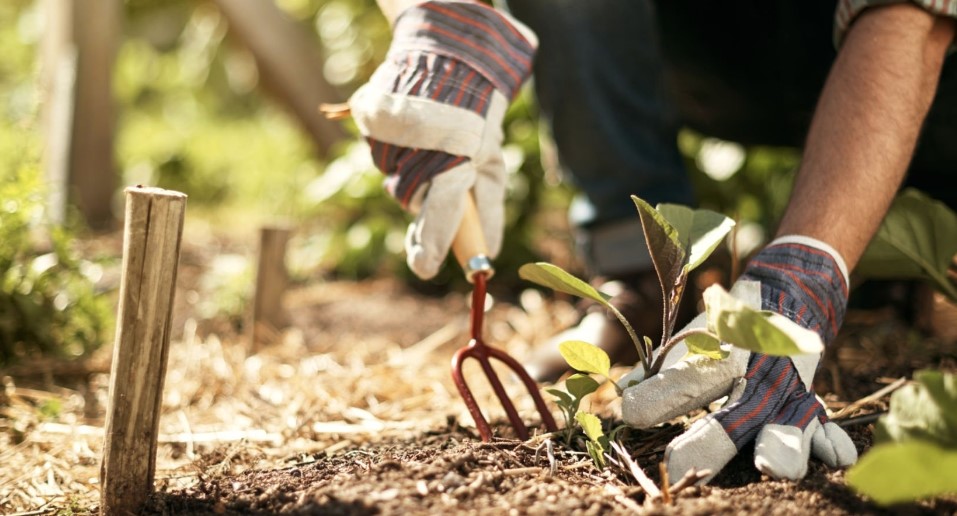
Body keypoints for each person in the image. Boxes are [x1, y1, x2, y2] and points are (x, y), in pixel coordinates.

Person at [345, 0, 957, 484]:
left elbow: (914, 19)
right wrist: (436, 20)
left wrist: (805, 272)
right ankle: (642, 274)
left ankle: (895, 255)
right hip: (706, 50)